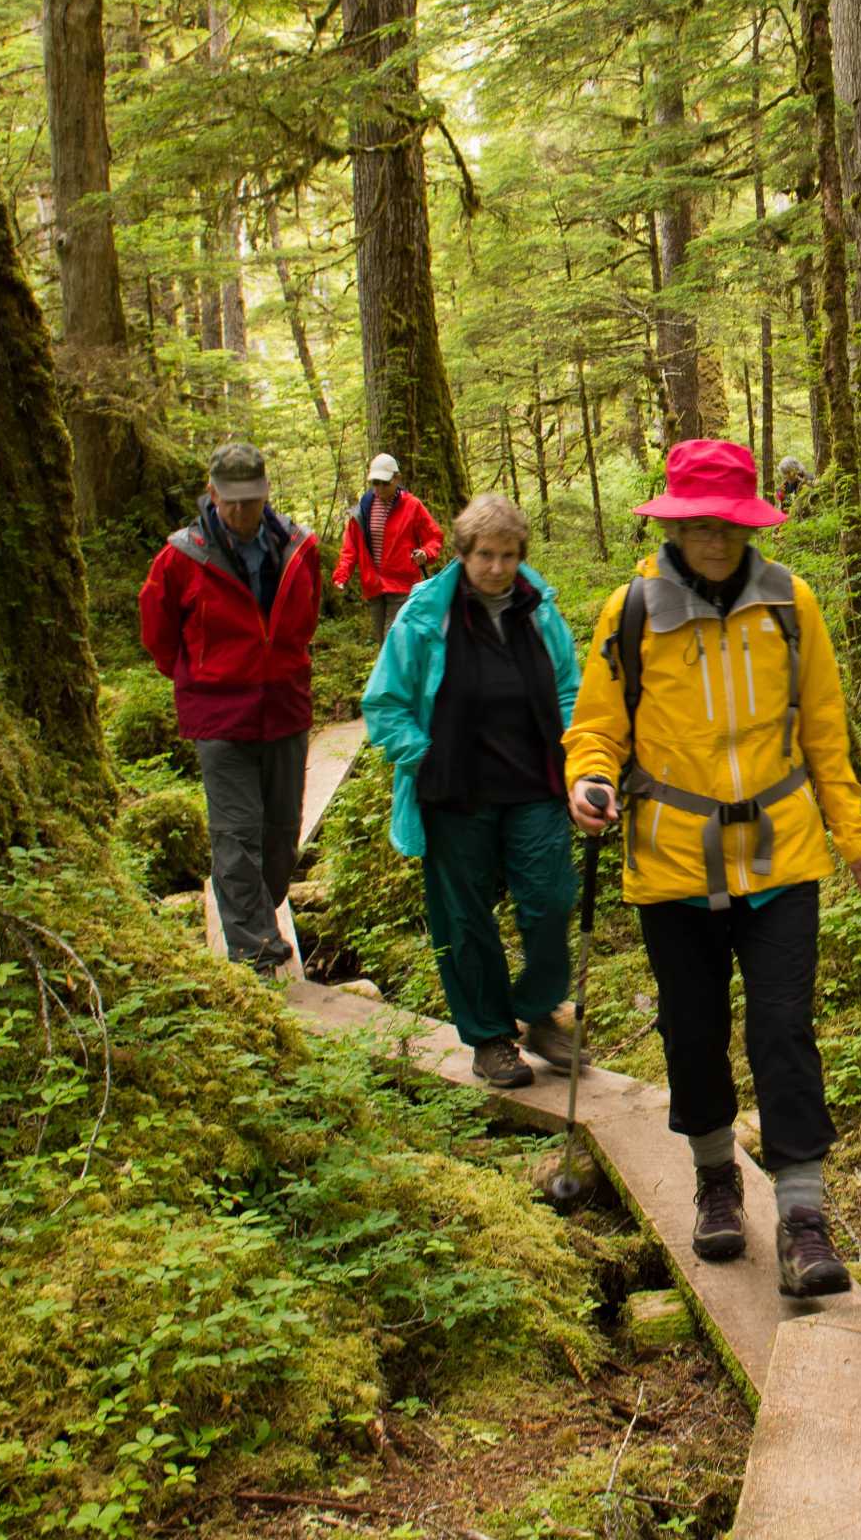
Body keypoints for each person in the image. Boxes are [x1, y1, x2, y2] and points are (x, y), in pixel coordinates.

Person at [565, 438, 861, 1299]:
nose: (714, 539)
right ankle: (716, 1179)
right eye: (700, 525)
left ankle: (803, 1218)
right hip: (672, 862)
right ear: (676, 525)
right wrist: (590, 778)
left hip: (781, 857)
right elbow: (597, 725)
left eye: (729, 524)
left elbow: (824, 729)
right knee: (692, 1029)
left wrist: (853, 834)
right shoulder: (632, 610)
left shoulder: (791, 603)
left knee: (784, 1030)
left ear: (751, 525)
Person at [362, 493, 584, 1089]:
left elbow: (568, 688)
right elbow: (384, 704)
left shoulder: (538, 609)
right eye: (485, 554)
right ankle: (490, 1038)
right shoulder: (425, 615)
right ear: (462, 553)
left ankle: (539, 1011)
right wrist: (424, 757)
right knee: (465, 918)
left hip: (534, 783)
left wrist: (576, 753)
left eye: (509, 556)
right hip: (455, 792)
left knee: (551, 897)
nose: (497, 568)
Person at [140, 442, 321, 980]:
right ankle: (255, 952)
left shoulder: (298, 547)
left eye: (251, 499)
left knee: (281, 834)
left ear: (266, 492)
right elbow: (158, 634)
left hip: (284, 708)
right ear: (212, 494)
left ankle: (261, 912)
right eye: (231, 500)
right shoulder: (180, 557)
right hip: (220, 716)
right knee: (237, 834)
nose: (241, 511)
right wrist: (202, 676)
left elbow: (306, 617)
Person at [334, 453, 444, 648]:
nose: (379, 488)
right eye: (375, 483)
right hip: (373, 586)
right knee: (383, 642)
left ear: (397, 479)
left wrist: (426, 553)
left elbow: (434, 537)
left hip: (402, 584)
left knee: (392, 642)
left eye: (385, 483)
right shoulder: (362, 510)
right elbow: (350, 547)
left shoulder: (412, 506)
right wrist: (342, 575)